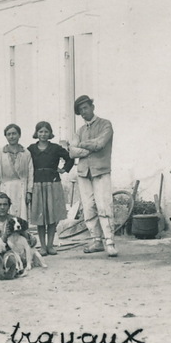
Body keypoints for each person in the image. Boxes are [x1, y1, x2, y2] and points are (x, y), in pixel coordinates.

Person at [69, 95, 117, 257]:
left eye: (85, 108)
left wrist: (81, 145)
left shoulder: (105, 124)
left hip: (101, 171)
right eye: (80, 110)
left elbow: (100, 144)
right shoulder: (80, 130)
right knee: (88, 207)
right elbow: (71, 152)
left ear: (92, 107)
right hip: (83, 172)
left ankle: (109, 241)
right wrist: (89, 147)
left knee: (104, 205)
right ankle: (97, 240)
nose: (83, 112)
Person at [28, 121, 74, 256]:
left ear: (50, 133)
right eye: (40, 131)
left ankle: (50, 245)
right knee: (41, 217)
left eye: (46, 131)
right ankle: (42, 246)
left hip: (53, 183)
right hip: (37, 184)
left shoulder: (55, 148)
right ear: (36, 133)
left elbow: (69, 157)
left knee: (52, 216)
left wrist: (64, 169)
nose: (43, 134)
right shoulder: (31, 149)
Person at [0, 123, 32, 221]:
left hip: (21, 188)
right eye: (9, 134)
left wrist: (29, 191)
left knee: (21, 217)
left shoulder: (26, 153)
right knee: (6, 216)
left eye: (14, 134)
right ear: (6, 136)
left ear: (19, 135)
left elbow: (31, 173)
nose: (12, 136)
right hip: (5, 188)